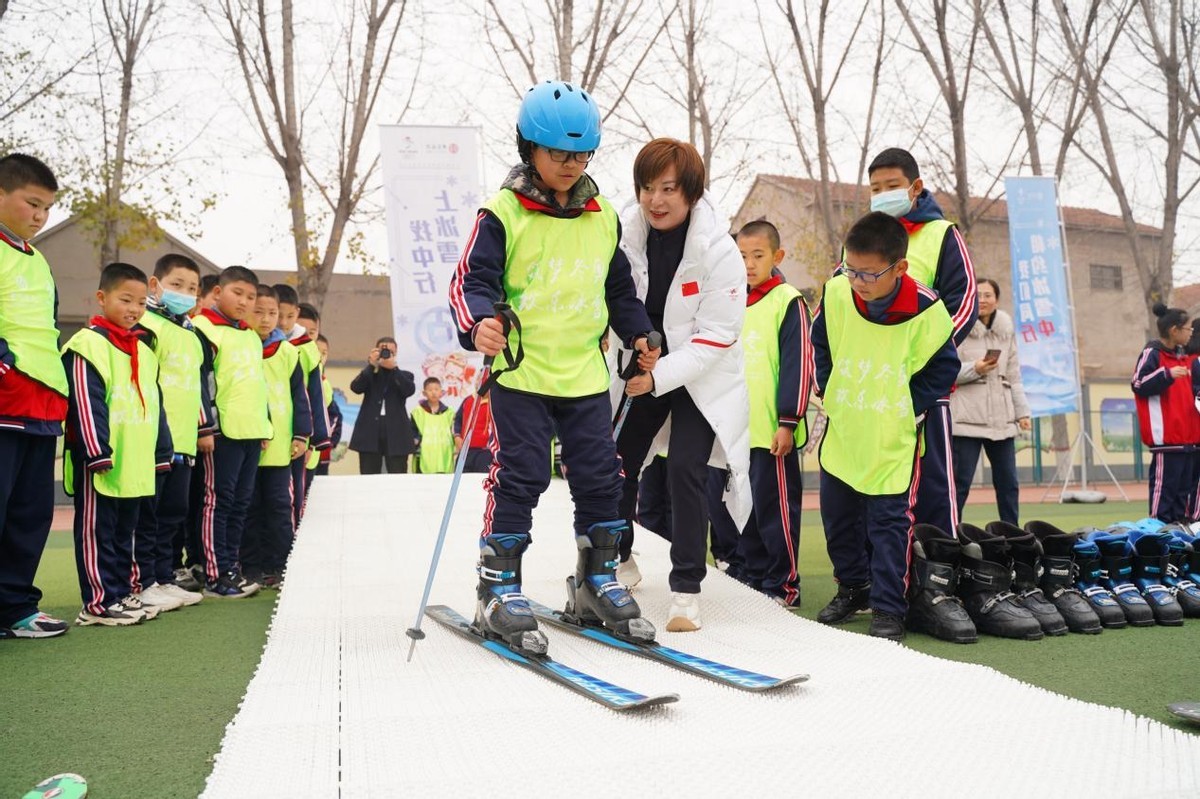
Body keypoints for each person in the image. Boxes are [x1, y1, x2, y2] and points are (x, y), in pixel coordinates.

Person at [448, 79, 659, 650]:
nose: (570, 164)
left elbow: (620, 290)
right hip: (521, 372)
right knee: (521, 475)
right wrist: (478, 324)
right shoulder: (502, 213)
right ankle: (498, 586)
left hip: (584, 375)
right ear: (528, 148)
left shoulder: (602, 216)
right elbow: (472, 282)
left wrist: (640, 331)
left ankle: (596, 581)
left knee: (601, 479)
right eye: (558, 153)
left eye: (581, 154)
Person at [613, 137, 750, 632]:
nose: (656, 200)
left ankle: (686, 588)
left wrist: (658, 377)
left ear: (691, 190)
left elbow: (717, 335)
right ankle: (618, 560)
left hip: (699, 376)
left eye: (669, 188)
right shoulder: (623, 236)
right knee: (617, 465)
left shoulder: (720, 251)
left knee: (687, 470)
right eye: (648, 188)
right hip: (640, 366)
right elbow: (612, 298)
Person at [812, 212, 959, 641]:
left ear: (900, 268)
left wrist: (904, 406)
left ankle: (889, 607)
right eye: (851, 269)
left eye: (869, 274)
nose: (858, 281)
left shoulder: (927, 309)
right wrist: (829, 385)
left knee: (888, 524)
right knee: (838, 520)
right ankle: (853, 588)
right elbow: (820, 341)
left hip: (890, 438)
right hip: (843, 429)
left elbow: (944, 366)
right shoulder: (837, 291)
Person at [868, 148, 977, 535]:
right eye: (875, 188)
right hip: (870, 390)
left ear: (915, 187)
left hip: (924, 389)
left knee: (933, 488)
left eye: (892, 186)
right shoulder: (862, 241)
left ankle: (937, 579)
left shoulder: (941, 234)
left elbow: (964, 302)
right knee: (870, 490)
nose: (882, 195)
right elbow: (835, 305)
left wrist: (925, 360)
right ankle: (872, 582)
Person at [61, 262, 173, 625]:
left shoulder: (144, 347)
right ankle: (97, 603)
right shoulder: (87, 344)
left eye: (141, 303)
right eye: (126, 300)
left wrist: (160, 452)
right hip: (103, 460)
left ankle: (122, 593)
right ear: (101, 298)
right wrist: (96, 451)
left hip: (136, 460)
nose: (134, 310)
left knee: (126, 532)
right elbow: (84, 400)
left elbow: (155, 404)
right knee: (99, 531)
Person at [708, 220, 812, 607]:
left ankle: (783, 585)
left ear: (777, 257)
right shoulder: (727, 301)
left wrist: (789, 420)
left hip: (771, 433)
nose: (748, 264)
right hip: (730, 432)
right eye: (740, 256)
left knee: (775, 512)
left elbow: (798, 364)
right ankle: (751, 576)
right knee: (738, 512)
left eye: (757, 256)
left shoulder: (788, 300)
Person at [0, 153, 71, 639]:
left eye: (47, 208)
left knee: (30, 513)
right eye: (32, 203)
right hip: (4, 402)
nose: (40, 217)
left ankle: (14, 607)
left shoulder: (39, 259)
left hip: (42, 405)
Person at [132, 253, 213, 611]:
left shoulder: (191, 332)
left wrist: (201, 428)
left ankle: (164, 577)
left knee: (173, 512)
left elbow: (196, 386)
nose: (185, 292)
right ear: (156, 285)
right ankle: (144, 580)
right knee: (147, 515)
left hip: (184, 440)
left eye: (192, 288)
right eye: (177, 285)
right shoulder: (146, 325)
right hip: (152, 439)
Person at [192, 266, 272, 598]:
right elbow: (200, 381)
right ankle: (214, 574)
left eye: (250, 296)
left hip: (252, 430)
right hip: (222, 432)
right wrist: (205, 426)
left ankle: (231, 567)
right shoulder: (203, 328)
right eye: (237, 293)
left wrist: (265, 423)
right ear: (218, 292)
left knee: (241, 504)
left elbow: (257, 383)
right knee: (217, 503)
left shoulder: (251, 335)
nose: (244, 301)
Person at [242, 285, 310, 587]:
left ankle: (280, 565)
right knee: (248, 507)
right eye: (259, 312)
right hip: (246, 442)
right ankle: (250, 567)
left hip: (281, 447)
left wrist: (301, 435)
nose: (267, 319)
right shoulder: (240, 347)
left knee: (280, 507)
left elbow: (300, 396)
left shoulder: (287, 351)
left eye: (273, 313)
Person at [949, 279, 1031, 526]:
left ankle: (1012, 533)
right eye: (978, 295)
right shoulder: (957, 330)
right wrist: (975, 368)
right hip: (966, 420)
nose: (982, 300)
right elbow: (946, 371)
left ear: (997, 299)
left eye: (988, 295)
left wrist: (1022, 413)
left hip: (1002, 421)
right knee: (959, 484)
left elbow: (1014, 377)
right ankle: (950, 535)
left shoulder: (1006, 333)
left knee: (1008, 483)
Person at [1131, 303, 1200, 523]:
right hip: (1167, 440)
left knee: (1182, 497)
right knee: (1164, 497)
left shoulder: (1184, 358)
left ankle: (1178, 547)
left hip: (1188, 440)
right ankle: (1157, 540)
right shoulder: (1153, 353)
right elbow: (1138, 384)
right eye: (1188, 328)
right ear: (1174, 330)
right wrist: (1167, 374)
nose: (1191, 333)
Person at [275, 286, 329, 525]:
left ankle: (289, 546)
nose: (283, 322)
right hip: (266, 431)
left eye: (289, 316)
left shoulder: (306, 348)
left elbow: (315, 396)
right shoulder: (256, 340)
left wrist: (315, 438)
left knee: (293, 493)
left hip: (297, 432)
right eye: (279, 315)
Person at [349, 336, 416, 474]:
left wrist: (394, 368)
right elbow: (356, 387)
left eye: (390, 351)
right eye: (382, 350)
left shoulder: (404, 375)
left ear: (395, 353)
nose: (386, 354)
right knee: (368, 475)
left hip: (396, 431)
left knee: (397, 475)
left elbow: (408, 390)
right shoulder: (370, 374)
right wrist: (371, 365)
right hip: (370, 431)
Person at [411, 376, 454, 474]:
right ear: (424, 393)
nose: (433, 392)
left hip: (444, 456)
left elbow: (454, 434)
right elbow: (413, 432)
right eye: (430, 390)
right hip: (423, 457)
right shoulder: (417, 412)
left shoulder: (450, 413)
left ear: (441, 392)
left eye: (436, 389)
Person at [314, 334, 343, 477]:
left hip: (319, 451)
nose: (320, 356)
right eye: (317, 350)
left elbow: (334, 415)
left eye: (324, 353)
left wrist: (329, 440)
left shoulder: (324, 383)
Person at [453, 391, 493, 473]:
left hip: (486, 452)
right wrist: (457, 436)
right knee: (461, 481)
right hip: (465, 451)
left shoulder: (495, 402)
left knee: (481, 481)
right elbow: (457, 420)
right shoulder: (468, 400)